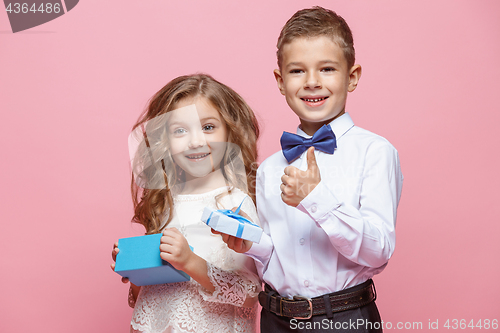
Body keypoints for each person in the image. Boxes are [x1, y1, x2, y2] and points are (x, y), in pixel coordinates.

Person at [219, 7, 403, 332]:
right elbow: (277, 256)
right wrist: (250, 244)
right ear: (280, 80)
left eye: (327, 68)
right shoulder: (270, 168)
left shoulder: (375, 152)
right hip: (276, 319)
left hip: (346, 318)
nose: (312, 82)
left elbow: (378, 251)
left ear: (353, 76)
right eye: (297, 71)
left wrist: (317, 198)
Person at [111, 74, 262, 333]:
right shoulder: (165, 203)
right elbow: (155, 296)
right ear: (165, 141)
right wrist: (136, 269)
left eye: (208, 127)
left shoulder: (236, 203)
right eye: (180, 130)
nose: (195, 141)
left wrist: (190, 262)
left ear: (229, 131)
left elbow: (249, 294)